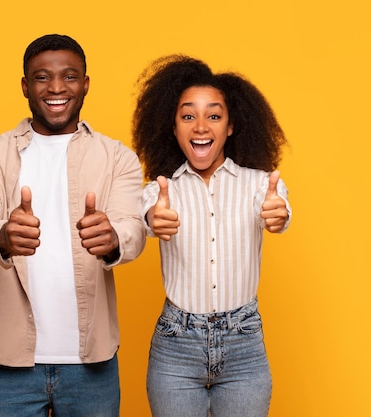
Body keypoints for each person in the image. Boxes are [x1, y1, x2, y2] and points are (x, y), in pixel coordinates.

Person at [0, 34, 146, 417]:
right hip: (8, 365)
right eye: (42, 77)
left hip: (92, 363)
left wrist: (113, 239)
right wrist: (2, 237)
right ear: (26, 86)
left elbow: (134, 229)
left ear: (86, 84)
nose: (57, 87)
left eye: (69, 76)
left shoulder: (118, 158)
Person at [132, 55, 292, 417]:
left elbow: (278, 210)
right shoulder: (160, 190)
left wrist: (278, 214)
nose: (201, 126)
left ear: (231, 126)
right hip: (176, 345)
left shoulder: (259, 184)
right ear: (172, 127)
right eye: (188, 116)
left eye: (214, 116)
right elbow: (146, 217)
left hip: (244, 343)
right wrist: (153, 219)